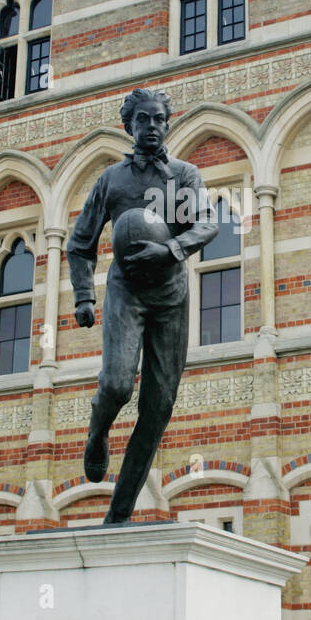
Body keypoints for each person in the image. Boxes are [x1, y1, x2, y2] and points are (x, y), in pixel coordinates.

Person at [65, 87, 218, 523]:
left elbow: (208, 224)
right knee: (116, 384)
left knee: (158, 408)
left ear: (167, 125)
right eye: (143, 120)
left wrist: (170, 250)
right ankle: (97, 435)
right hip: (126, 291)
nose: (151, 127)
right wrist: (83, 296)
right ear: (128, 126)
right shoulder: (112, 181)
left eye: (158, 120)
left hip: (170, 294)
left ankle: (119, 514)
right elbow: (80, 245)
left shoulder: (184, 175)